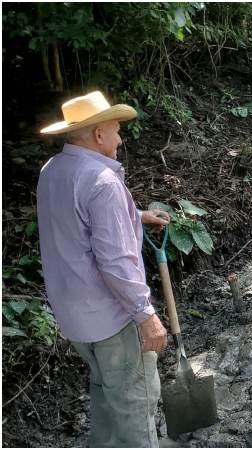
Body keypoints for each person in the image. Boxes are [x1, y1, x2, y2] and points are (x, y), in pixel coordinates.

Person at [37, 91, 171, 447]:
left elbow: (75, 222)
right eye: (116, 130)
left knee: (106, 394)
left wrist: (136, 216)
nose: (120, 138)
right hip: (113, 318)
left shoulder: (52, 171)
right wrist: (146, 315)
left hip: (74, 318)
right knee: (135, 401)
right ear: (99, 134)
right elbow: (115, 261)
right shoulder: (103, 182)